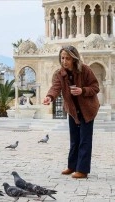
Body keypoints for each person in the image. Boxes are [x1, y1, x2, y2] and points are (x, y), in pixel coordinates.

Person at [42, 45, 100, 179]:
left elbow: (95, 87)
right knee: (74, 139)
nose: (64, 61)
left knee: (85, 140)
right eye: (62, 58)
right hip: (73, 110)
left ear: (74, 59)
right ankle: (72, 166)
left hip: (88, 109)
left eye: (67, 58)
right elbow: (55, 88)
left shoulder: (85, 70)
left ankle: (82, 170)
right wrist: (49, 97)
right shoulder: (60, 74)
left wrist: (82, 90)